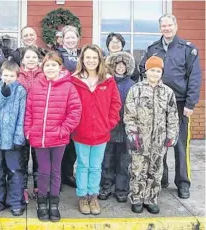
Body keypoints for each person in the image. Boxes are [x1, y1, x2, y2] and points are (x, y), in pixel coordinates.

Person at [139, 13, 202, 199]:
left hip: (181, 103)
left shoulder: (187, 49)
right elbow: (143, 69)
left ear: (175, 26)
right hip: (158, 103)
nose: (166, 28)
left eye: (169, 25)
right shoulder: (153, 49)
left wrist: (191, 103)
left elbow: (195, 77)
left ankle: (183, 182)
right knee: (159, 143)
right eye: (163, 26)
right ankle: (162, 178)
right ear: (160, 28)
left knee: (180, 145)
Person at [25, 52, 82, 222]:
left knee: (56, 171)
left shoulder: (68, 86)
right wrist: (29, 130)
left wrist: (64, 130)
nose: (50, 68)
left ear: (60, 67)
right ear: (43, 67)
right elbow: (29, 110)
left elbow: (75, 111)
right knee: (43, 171)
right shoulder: (36, 85)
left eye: (54, 65)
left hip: (58, 138)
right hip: (39, 138)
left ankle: (54, 202)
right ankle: (42, 201)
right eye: (47, 65)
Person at [124, 56, 179, 214]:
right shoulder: (136, 90)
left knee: (156, 170)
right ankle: (137, 198)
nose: (154, 73)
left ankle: (151, 199)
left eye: (158, 71)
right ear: (146, 71)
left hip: (159, 140)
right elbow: (129, 114)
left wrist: (171, 134)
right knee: (137, 169)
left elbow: (173, 116)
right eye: (152, 70)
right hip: (140, 139)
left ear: (161, 72)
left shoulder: (168, 92)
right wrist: (132, 133)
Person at [71, 44, 121, 215]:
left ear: (100, 59)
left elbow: (116, 103)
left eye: (94, 57)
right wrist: (74, 125)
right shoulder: (75, 80)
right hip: (81, 132)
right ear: (82, 60)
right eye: (88, 57)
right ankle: (82, 196)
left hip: (101, 132)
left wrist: (109, 123)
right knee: (83, 165)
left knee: (96, 166)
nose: (91, 61)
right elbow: (69, 104)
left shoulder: (108, 80)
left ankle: (93, 196)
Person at [0, 61, 27, 216]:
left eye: (12, 75)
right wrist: (2, 96)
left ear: (17, 76)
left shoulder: (21, 91)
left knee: (15, 171)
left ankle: (16, 201)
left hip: (12, 141)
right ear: (0, 74)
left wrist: (18, 138)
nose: (8, 78)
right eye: (5, 75)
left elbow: (22, 116)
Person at [98, 51, 135, 202]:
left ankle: (121, 189)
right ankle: (106, 186)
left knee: (123, 161)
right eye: (117, 65)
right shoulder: (106, 82)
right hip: (109, 128)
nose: (120, 68)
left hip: (125, 128)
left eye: (123, 65)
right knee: (107, 159)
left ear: (127, 68)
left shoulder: (132, 85)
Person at [17, 46, 44, 202]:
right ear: (23, 60)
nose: (31, 60)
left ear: (39, 60)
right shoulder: (17, 75)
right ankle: (23, 188)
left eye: (34, 57)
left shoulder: (43, 75)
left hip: (39, 121)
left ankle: (38, 186)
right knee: (23, 156)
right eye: (28, 57)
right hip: (21, 121)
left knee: (38, 157)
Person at [56, 25, 81, 188]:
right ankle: (57, 174)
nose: (71, 40)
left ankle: (67, 173)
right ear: (62, 40)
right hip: (62, 99)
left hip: (79, 99)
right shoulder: (58, 55)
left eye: (73, 37)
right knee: (61, 139)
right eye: (68, 38)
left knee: (73, 140)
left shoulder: (82, 55)